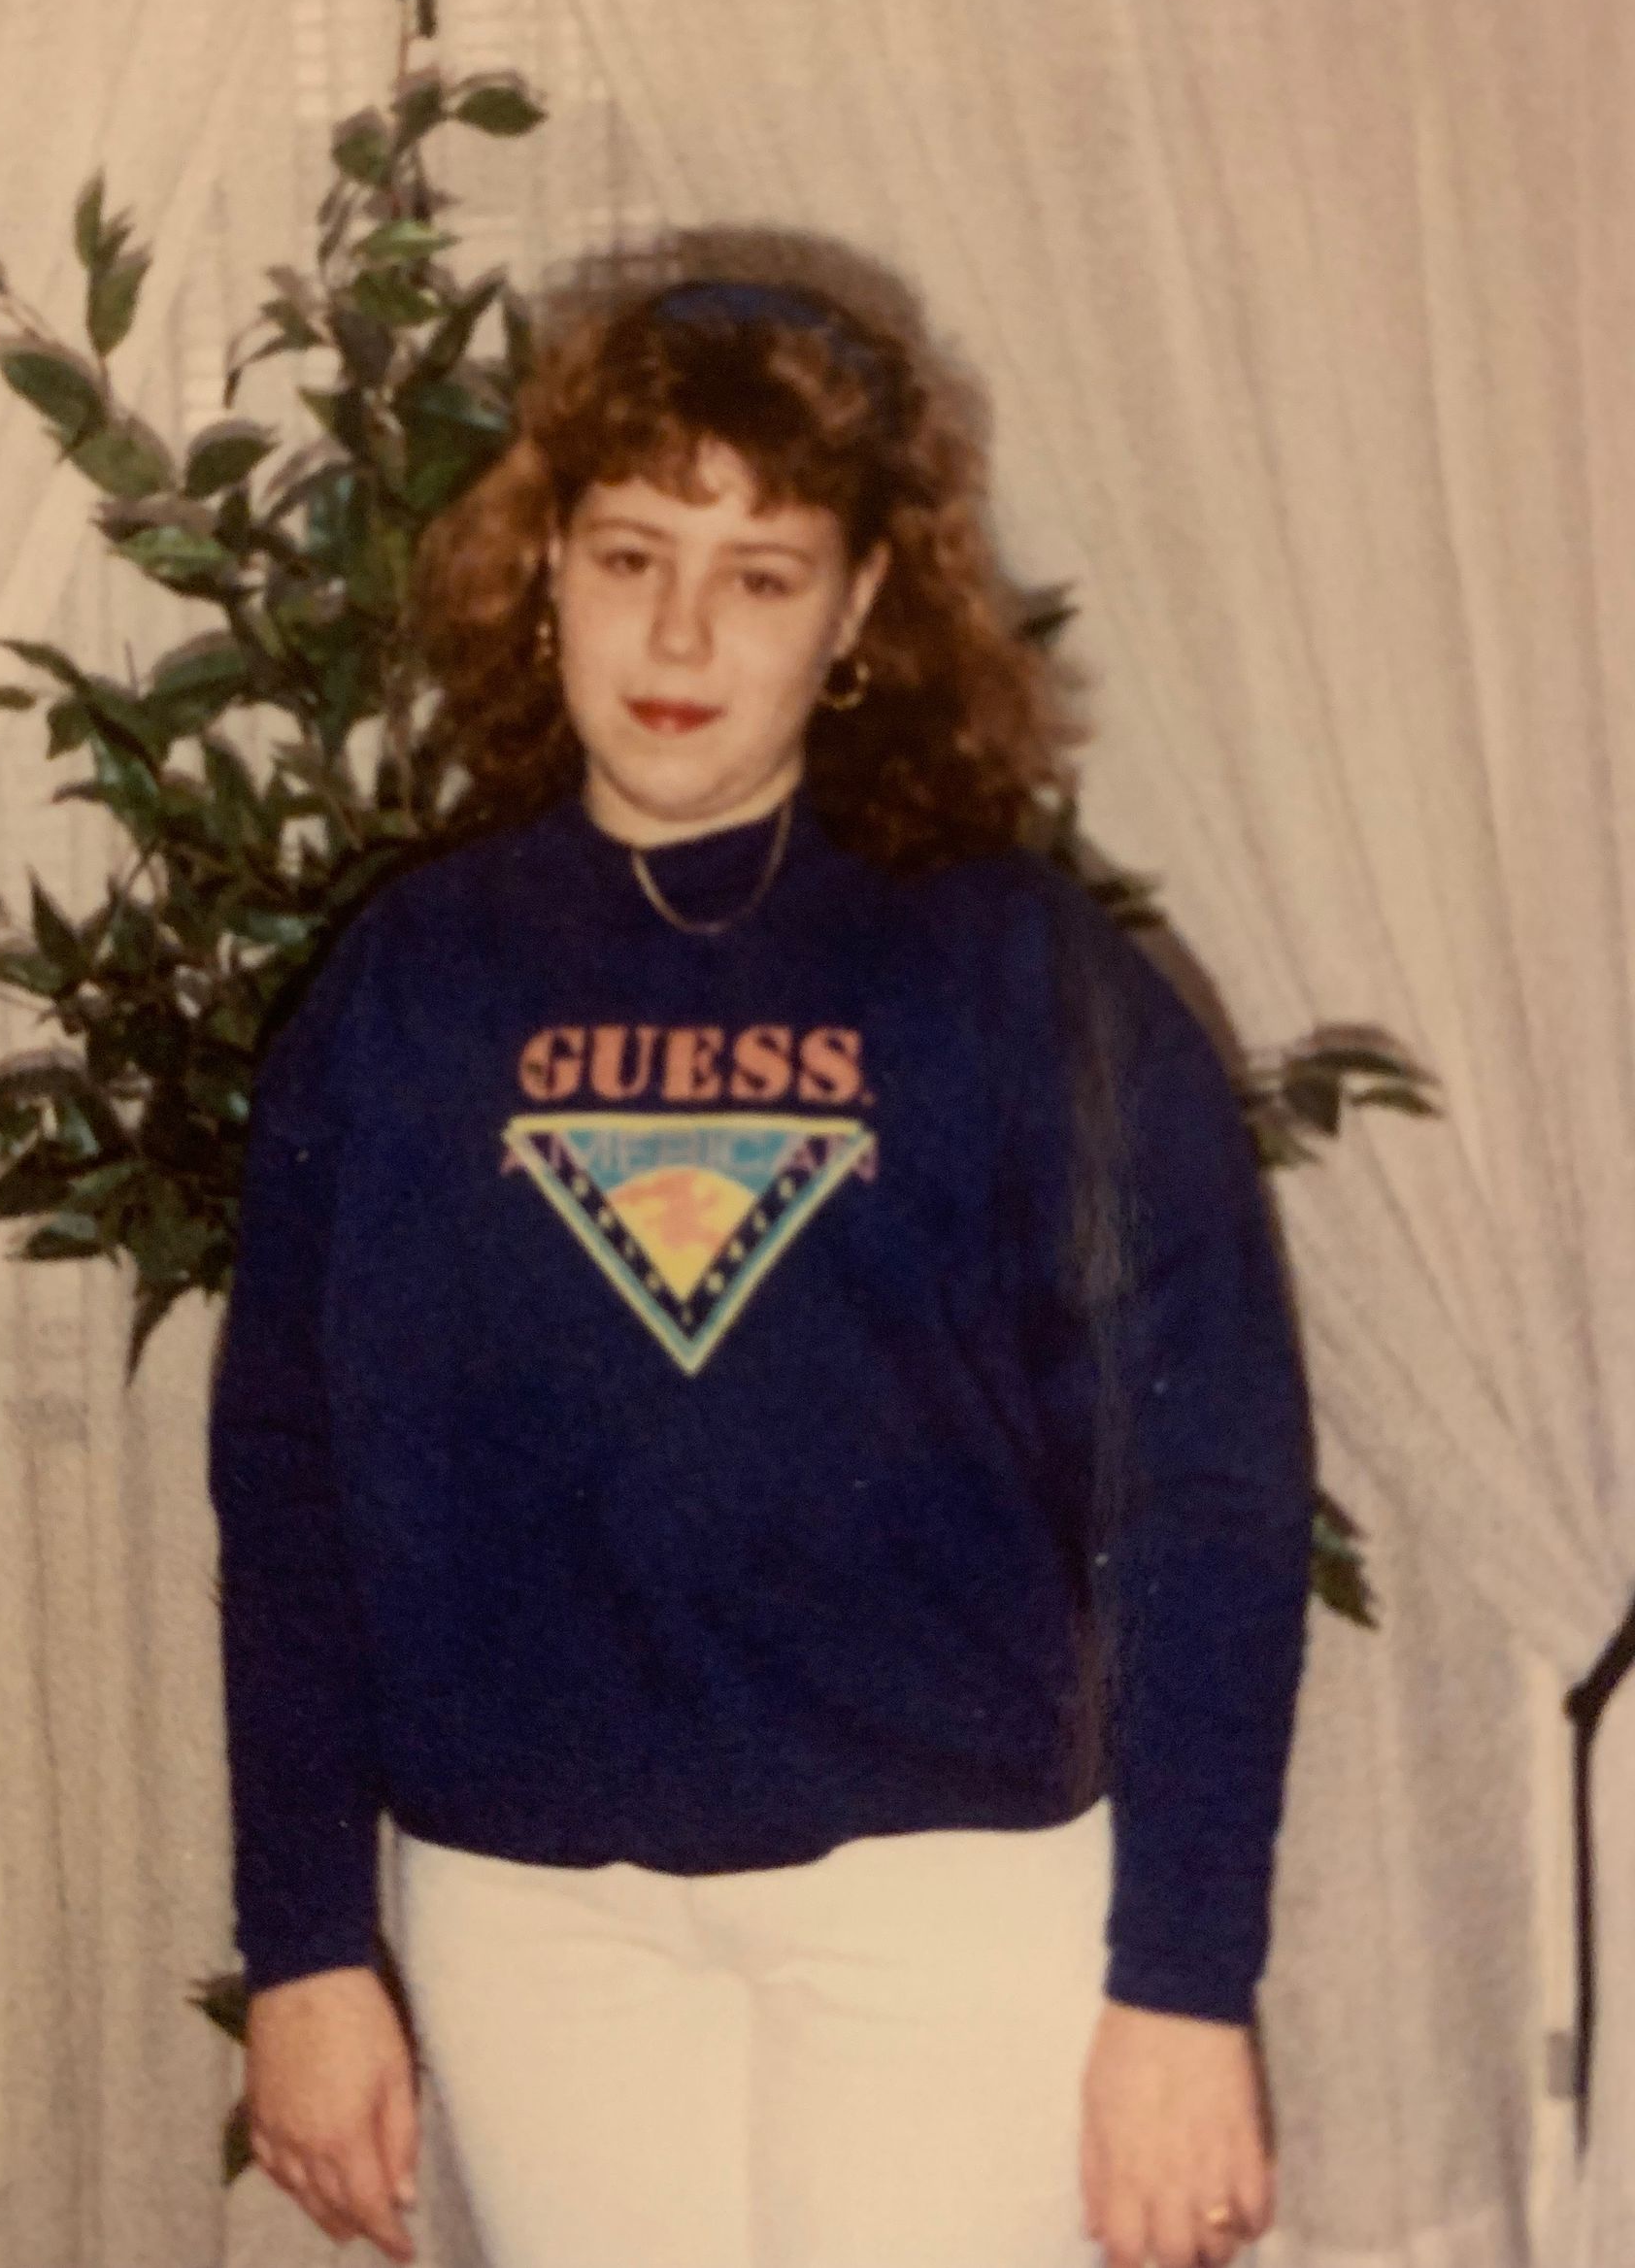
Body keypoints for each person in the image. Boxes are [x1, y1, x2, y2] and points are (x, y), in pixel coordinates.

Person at [207, 274, 1316, 2268]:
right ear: (543, 562)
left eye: (763, 570)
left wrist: (1182, 1981)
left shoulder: (1024, 978)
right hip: (529, 1912)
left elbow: (1209, 1495)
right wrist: (302, 1941)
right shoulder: (409, 987)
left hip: (944, 1901)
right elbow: (286, 1483)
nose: (684, 634)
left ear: (865, 605)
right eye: (632, 552)